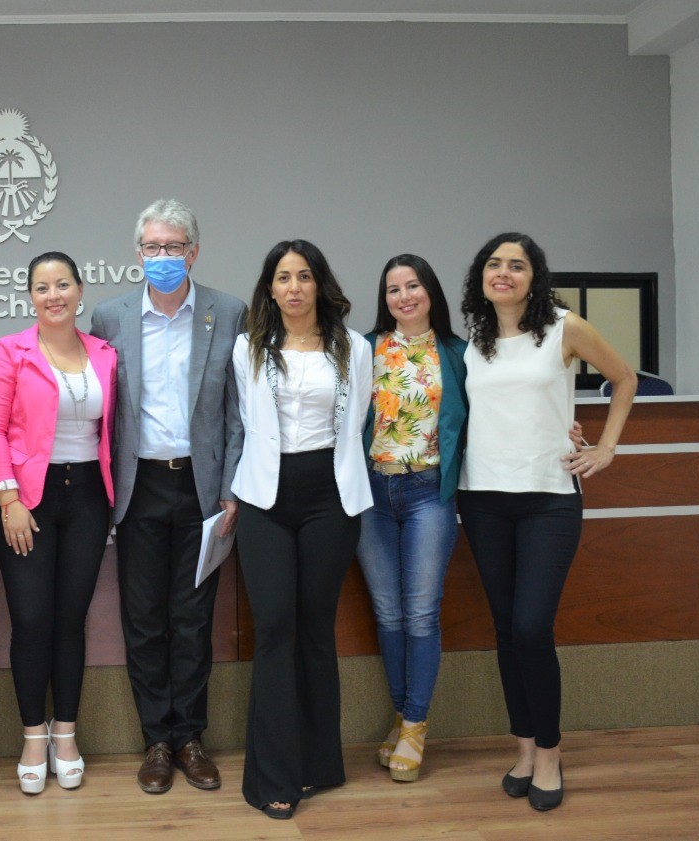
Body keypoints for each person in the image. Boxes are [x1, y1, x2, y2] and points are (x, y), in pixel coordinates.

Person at [457, 232, 636, 812]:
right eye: (494, 264)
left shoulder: (564, 327)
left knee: (532, 628)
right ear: (481, 277)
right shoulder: (474, 343)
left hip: (548, 499)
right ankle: (525, 750)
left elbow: (625, 378)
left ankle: (552, 753)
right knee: (506, 629)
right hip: (482, 498)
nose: (503, 273)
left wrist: (605, 447)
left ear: (534, 278)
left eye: (517, 265)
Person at [89, 199, 246, 795]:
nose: (162, 256)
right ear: (138, 253)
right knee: (144, 620)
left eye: (173, 247)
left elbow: (238, 412)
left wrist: (230, 490)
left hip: (201, 489)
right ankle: (156, 739)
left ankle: (190, 738)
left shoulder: (228, 312)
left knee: (193, 619)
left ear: (193, 252)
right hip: (139, 488)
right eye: (152, 247)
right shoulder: (111, 317)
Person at [231, 239, 372, 819]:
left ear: (320, 285)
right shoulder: (248, 348)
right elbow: (245, 421)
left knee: (315, 630)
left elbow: (357, 422)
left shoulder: (354, 348)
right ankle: (275, 776)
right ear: (270, 287)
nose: (294, 287)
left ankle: (319, 764)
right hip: (264, 498)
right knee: (274, 629)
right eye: (284, 277)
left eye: (305, 276)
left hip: (330, 497)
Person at [0, 252, 117, 794]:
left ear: (80, 291)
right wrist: (9, 497)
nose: (53, 295)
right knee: (32, 619)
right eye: (42, 287)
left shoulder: (104, 353)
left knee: (71, 618)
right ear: (31, 297)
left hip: (87, 497)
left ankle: (66, 733)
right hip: (25, 500)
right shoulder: (9, 351)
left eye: (62, 285)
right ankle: (34, 735)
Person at [356, 254, 467, 783]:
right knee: (388, 613)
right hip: (372, 493)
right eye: (393, 289)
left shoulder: (459, 353)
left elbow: (496, 409)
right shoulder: (364, 349)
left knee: (421, 613)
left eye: (413, 285)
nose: (403, 296)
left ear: (430, 291)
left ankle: (416, 724)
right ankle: (404, 719)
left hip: (429, 494)